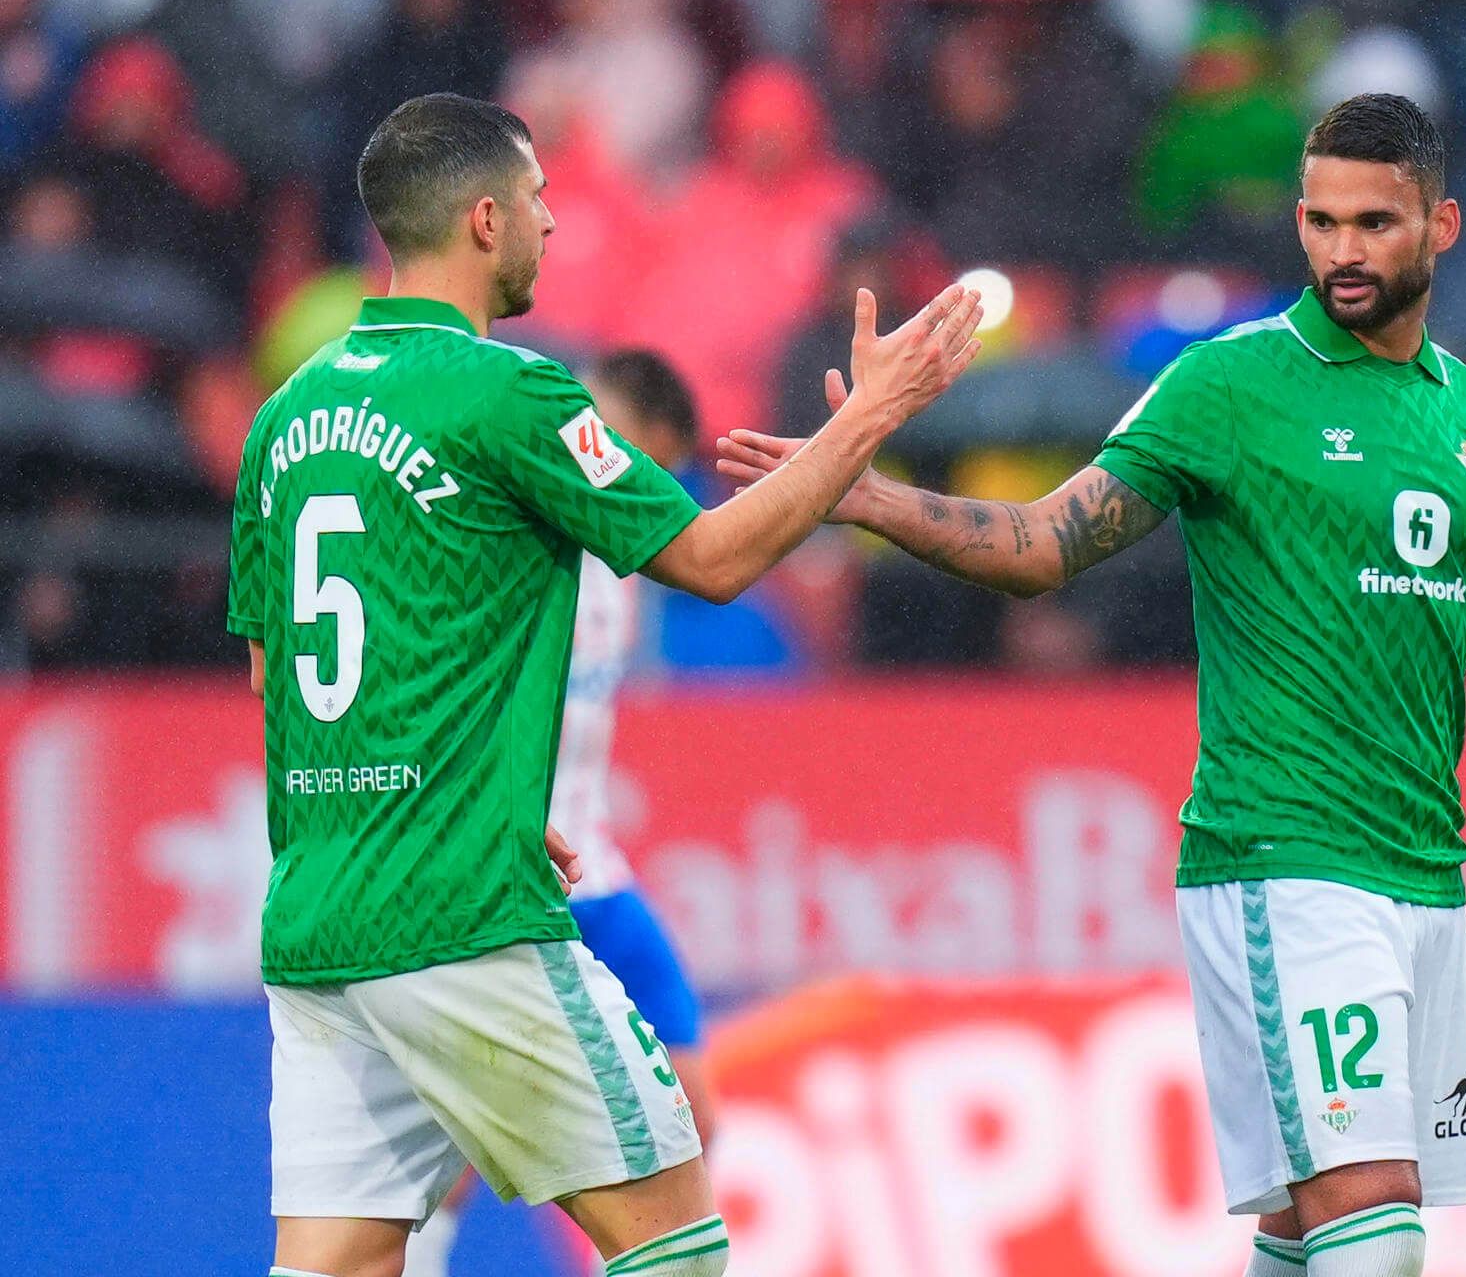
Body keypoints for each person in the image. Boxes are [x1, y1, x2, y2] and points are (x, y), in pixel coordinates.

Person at [719, 93, 1466, 1277]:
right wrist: (872, 494)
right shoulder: (1229, 386)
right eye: (1320, 222)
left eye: (1372, 221)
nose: (1342, 250)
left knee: (1310, 1236)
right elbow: (1047, 543)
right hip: (1284, 865)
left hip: (1425, 880)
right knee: (1381, 1232)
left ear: (1443, 224)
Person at [226, 91, 981, 1277]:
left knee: (339, 1263)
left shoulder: (282, 419)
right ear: (483, 220)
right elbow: (715, 558)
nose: (553, 225)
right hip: (463, 914)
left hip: (319, 918)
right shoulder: (512, 395)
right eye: (536, 200)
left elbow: (278, 681)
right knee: (675, 1238)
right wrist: (871, 413)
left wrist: (469, 791)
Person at [403, 350, 737, 1277]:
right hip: (514, 876)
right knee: (464, 1137)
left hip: (599, 873)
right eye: (640, 458)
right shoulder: (514, 533)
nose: (646, 487)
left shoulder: (629, 565)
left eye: (666, 470)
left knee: (694, 1112)